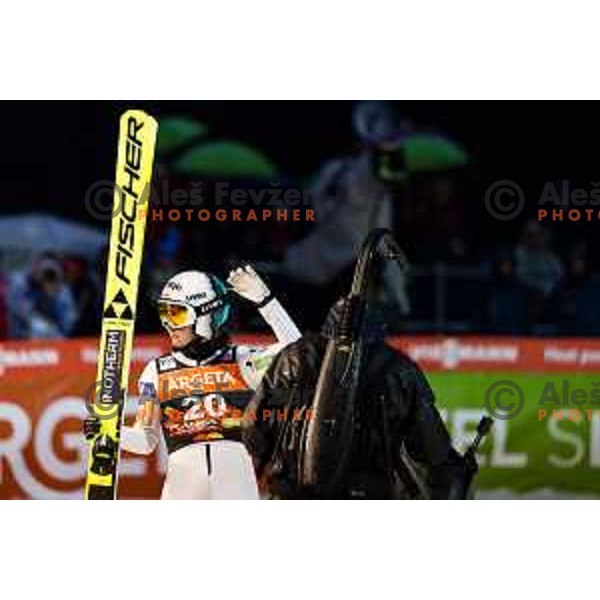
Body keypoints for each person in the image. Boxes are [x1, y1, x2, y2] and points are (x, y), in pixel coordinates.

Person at [85, 265, 301, 499]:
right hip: (182, 485)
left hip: (236, 483)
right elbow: (146, 440)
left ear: (205, 317)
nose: (168, 324)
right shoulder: (156, 372)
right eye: (164, 313)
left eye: (176, 314)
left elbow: (300, 354)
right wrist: (110, 432)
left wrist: (266, 301)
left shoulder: (243, 361)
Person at [243, 298, 468, 499]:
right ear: (378, 335)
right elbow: (432, 449)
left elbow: (253, 428)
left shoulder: (292, 358)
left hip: (291, 492)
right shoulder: (400, 370)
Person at [7, 253, 77, 339]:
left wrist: (53, 292)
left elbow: (69, 321)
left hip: (55, 337)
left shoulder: (62, 290)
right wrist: (35, 284)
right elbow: (19, 311)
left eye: (51, 272)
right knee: (38, 328)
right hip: (25, 337)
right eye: (44, 270)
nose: (47, 276)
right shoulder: (23, 283)